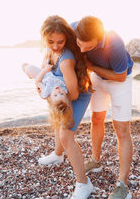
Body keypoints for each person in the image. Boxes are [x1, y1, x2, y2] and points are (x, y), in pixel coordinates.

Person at [71, 16, 134, 199]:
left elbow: (120, 76)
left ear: (99, 39)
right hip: (98, 78)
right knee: (96, 119)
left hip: (119, 81)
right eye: (79, 44)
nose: (82, 50)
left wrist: (91, 66)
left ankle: (122, 185)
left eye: (88, 47)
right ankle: (95, 161)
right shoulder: (74, 28)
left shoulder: (114, 43)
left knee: (121, 129)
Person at [35, 15, 94, 199]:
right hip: (61, 92)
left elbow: (74, 94)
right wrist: (42, 86)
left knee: (66, 134)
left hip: (78, 95)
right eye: (50, 41)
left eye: (60, 42)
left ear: (66, 38)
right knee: (59, 123)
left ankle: (84, 183)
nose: (55, 46)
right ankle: (58, 154)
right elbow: (44, 70)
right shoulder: (50, 50)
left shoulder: (66, 60)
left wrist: (53, 97)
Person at [22, 62, 74, 129]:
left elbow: (37, 81)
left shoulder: (46, 92)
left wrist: (45, 70)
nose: (58, 91)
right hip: (52, 72)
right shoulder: (65, 88)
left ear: (51, 98)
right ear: (66, 96)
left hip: (42, 75)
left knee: (28, 68)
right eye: (61, 94)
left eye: (55, 95)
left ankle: (28, 73)